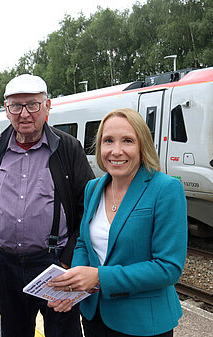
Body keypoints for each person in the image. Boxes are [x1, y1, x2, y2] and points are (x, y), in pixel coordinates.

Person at [0, 74, 94, 337]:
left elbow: (87, 209)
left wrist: (70, 261)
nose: (24, 113)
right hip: (6, 267)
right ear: (6, 109)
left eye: (33, 105)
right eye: (16, 106)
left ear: (47, 106)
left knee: (63, 333)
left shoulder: (67, 148)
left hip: (55, 266)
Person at [47, 108, 187, 337]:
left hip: (143, 324)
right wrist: (74, 289)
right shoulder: (94, 188)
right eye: (108, 141)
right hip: (95, 317)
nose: (116, 151)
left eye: (128, 141)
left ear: (143, 146)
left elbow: (168, 267)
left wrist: (99, 278)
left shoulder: (166, 189)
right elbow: (83, 242)